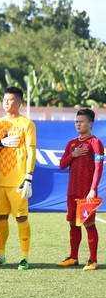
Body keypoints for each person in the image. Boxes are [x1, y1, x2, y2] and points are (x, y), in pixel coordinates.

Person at [0, 86, 36, 270]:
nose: (6, 102)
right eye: (4, 99)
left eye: (10, 99)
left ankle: (24, 257)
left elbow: (31, 151)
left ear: (19, 102)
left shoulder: (27, 124)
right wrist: (0, 143)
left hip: (18, 182)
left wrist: (28, 177)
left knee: (21, 218)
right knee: (0, 218)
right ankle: (0, 256)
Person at [57, 108, 104, 270]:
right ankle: (73, 257)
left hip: (87, 192)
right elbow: (62, 164)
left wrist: (93, 189)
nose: (78, 124)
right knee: (72, 223)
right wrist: (73, 154)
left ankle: (93, 260)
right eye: (76, 121)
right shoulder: (71, 144)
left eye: (81, 121)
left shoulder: (96, 143)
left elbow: (98, 168)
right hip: (72, 191)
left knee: (89, 224)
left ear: (90, 124)